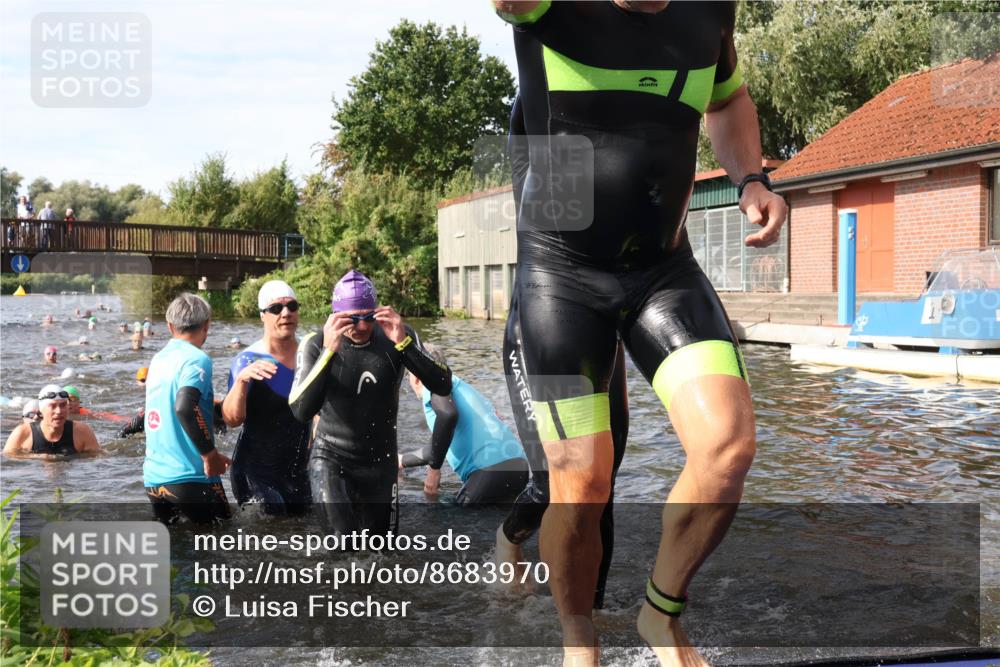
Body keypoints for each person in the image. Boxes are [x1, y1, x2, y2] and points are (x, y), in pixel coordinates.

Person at [493, 2, 788, 664]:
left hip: (663, 269)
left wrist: (751, 178)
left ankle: (660, 614)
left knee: (728, 447)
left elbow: (729, 98)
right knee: (582, 481)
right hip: (560, 276)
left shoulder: (710, 8)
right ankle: (579, 642)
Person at [496, 93, 631, 610]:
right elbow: (526, 111)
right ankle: (509, 542)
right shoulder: (545, 186)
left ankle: (588, 613)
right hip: (534, 340)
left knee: (605, 482)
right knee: (553, 481)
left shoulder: (622, 196)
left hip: (602, 343)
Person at [289, 269, 452, 536]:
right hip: (331, 458)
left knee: (383, 553)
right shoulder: (316, 343)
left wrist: (404, 344)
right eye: (352, 320)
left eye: (368, 317)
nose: (363, 327)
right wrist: (329, 353)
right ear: (336, 316)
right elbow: (300, 410)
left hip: (381, 463)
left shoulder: (397, 335)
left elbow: (443, 385)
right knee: (343, 545)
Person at [222, 280, 311, 516]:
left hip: (297, 472)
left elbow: (323, 411)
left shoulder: (310, 354)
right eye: (276, 309)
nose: (286, 313)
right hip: (255, 473)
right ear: (263, 315)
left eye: (292, 306)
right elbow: (231, 419)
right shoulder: (247, 360)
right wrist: (241, 381)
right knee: (267, 530)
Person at [400, 343, 529, 504]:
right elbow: (437, 449)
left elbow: (448, 417)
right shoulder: (460, 386)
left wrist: (434, 471)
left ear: (416, 375)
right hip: (519, 467)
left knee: (452, 519)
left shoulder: (433, 384)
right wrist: (402, 461)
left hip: (490, 472)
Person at [143, 293, 232, 525]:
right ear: (207, 325)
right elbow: (184, 407)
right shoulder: (197, 359)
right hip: (190, 478)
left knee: (174, 553)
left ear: (170, 326)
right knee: (220, 545)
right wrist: (210, 454)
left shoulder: (158, 359)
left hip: (153, 480)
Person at [3, 385, 99, 456]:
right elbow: (6, 459)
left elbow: (98, 460)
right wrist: (35, 457)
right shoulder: (22, 433)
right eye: (52, 406)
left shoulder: (82, 432)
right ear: (41, 410)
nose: (58, 411)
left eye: (63, 405)